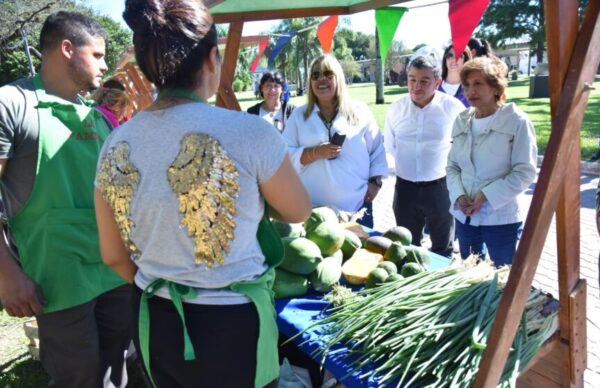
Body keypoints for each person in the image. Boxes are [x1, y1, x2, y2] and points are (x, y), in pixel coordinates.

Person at [95, 1, 311, 387]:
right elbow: (298, 210)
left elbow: (113, 255)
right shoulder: (249, 131)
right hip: (232, 324)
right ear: (212, 59)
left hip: (153, 316)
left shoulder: (114, 143)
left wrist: (164, 275)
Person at [0, 11, 131, 388]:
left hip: (113, 270)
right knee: (78, 375)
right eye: (100, 55)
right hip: (59, 280)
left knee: (115, 367)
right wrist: (7, 274)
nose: (106, 66)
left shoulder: (98, 116)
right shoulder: (13, 104)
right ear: (67, 48)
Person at [446, 57, 537, 266]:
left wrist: (486, 196)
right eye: (466, 85)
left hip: (501, 218)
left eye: (478, 84)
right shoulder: (462, 120)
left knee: (503, 276)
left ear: (496, 87)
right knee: (470, 274)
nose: (470, 91)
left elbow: (525, 172)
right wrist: (458, 195)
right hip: (465, 216)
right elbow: (452, 166)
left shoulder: (517, 121)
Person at [282, 54, 387, 228]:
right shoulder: (299, 116)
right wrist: (314, 153)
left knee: (361, 255)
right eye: (315, 75)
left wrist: (376, 182)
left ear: (338, 77)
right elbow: (284, 156)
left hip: (356, 208)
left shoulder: (359, 111)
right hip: (314, 213)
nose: (321, 79)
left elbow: (377, 149)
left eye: (328, 74)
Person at [384, 56, 465, 258]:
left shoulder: (453, 108)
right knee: (406, 247)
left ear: (437, 83)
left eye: (424, 81)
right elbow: (390, 146)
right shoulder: (396, 109)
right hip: (405, 189)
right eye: (412, 79)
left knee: (442, 248)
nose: (416, 86)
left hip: (440, 189)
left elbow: (464, 146)